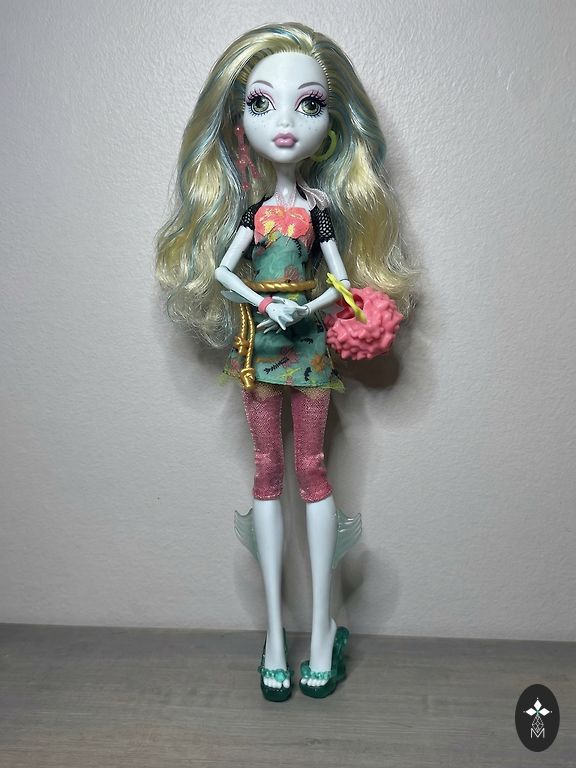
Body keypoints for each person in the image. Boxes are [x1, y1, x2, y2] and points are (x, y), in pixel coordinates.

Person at [156, 23, 416, 701]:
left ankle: (323, 630)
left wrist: (308, 307)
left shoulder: (321, 213)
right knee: (267, 472)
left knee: (313, 469)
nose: (284, 123)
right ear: (240, 122)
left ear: (329, 126)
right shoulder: (252, 212)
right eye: (261, 103)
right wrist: (263, 303)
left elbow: (339, 280)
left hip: (308, 347)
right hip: (259, 348)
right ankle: (275, 634)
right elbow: (223, 271)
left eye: (308, 105)